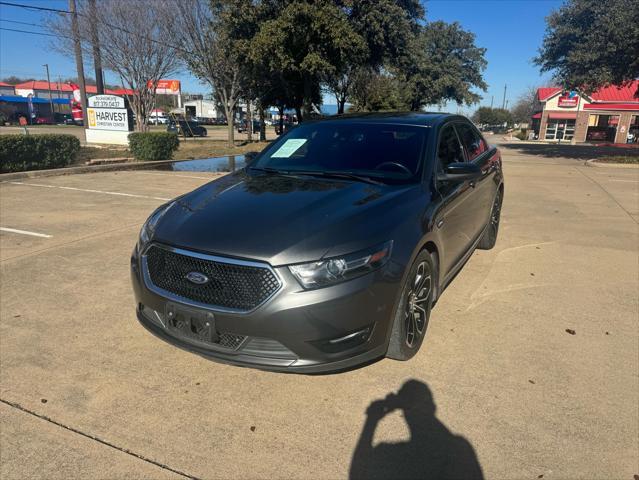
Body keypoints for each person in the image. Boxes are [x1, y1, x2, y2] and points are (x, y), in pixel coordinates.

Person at [350, 380, 484, 480]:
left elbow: (356, 474)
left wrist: (371, 420)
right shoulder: (461, 447)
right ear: (432, 407)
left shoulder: (387, 452)